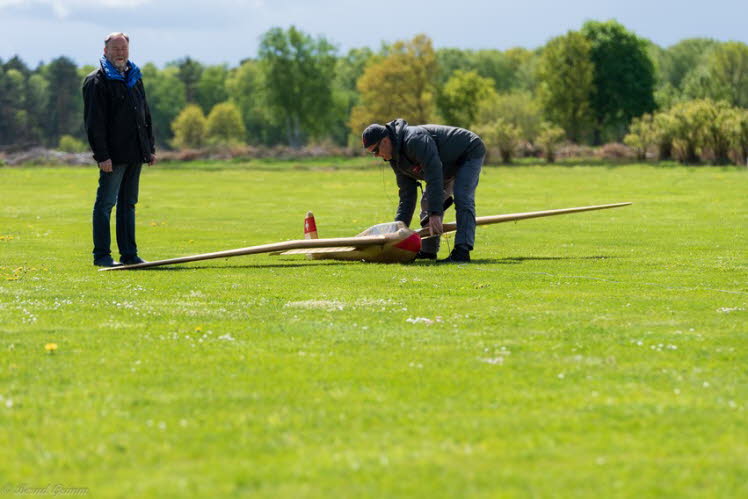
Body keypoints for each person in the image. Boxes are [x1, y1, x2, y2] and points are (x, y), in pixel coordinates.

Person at [362, 119, 485, 263]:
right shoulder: (395, 159)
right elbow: (407, 195)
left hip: (468, 151)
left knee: (462, 196)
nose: (376, 156)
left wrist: (435, 213)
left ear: (385, 141)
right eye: (372, 153)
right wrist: (397, 233)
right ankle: (428, 251)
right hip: (444, 166)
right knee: (428, 203)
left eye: (375, 151)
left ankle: (462, 252)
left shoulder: (414, 140)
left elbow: (433, 174)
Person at [83, 32, 156, 267]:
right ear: (105, 51)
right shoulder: (96, 81)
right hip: (112, 158)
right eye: (115, 49)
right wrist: (102, 155)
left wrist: (150, 148)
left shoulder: (135, 77)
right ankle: (102, 256)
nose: (120, 53)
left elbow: (145, 116)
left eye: (123, 48)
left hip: (135, 153)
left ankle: (129, 255)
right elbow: (94, 123)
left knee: (128, 205)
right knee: (105, 205)